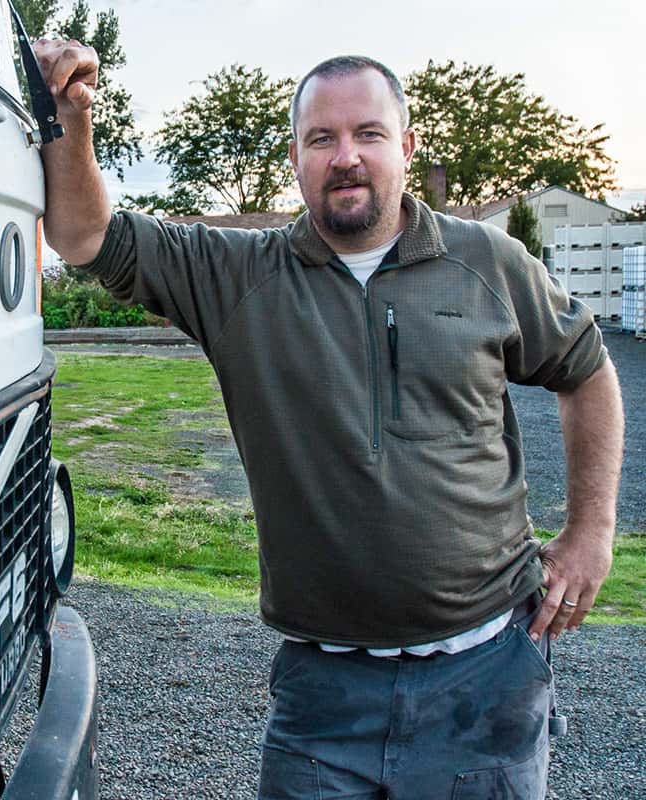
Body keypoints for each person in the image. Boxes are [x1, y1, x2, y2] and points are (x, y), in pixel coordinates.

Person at [33, 41, 624, 799]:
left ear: (406, 147)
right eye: (322, 138)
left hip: (486, 681)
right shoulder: (237, 276)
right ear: (296, 158)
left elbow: (588, 371)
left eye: (368, 134)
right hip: (323, 697)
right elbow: (85, 238)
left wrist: (591, 533)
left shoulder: (487, 263)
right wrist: (73, 118)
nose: (346, 156)